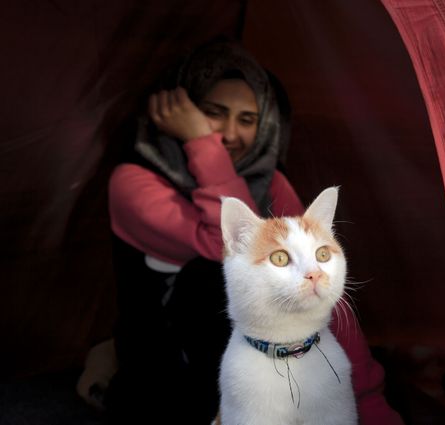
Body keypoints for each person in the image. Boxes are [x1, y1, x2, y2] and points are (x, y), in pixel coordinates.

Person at [79, 39, 403, 425]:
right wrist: (201, 140)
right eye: (213, 114)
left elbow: (324, 304)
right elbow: (221, 243)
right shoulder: (132, 182)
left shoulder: (271, 183)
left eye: (248, 120)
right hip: (163, 362)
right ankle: (111, 364)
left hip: (255, 357)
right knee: (208, 277)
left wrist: (368, 402)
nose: (229, 134)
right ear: (181, 114)